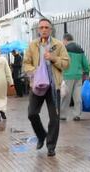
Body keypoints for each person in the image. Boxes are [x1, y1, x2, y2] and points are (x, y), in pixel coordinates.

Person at [23, 18, 70, 157]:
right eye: (41, 27)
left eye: (46, 27)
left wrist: (53, 58)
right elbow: (26, 63)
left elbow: (66, 63)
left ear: (50, 29)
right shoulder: (32, 45)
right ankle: (41, 135)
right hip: (37, 86)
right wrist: (35, 72)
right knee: (32, 113)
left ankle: (51, 146)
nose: (44, 29)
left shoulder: (58, 45)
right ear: (38, 30)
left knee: (54, 118)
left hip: (53, 86)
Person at [60, 33, 90, 121]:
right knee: (77, 96)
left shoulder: (64, 49)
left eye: (63, 41)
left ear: (65, 40)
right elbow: (85, 63)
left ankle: (62, 115)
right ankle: (77, 114)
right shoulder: (80, 49)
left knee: (66, 96)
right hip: (78, 76)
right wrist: (87, 73)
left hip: (67, 75)